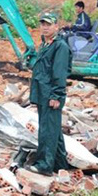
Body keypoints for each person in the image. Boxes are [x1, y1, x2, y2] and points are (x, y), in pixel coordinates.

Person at [28, 12, 71, 176]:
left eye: (48, 24)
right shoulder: (46, 45)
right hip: (42, 93)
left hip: (50, 95)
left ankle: (44, 165)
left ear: (56, 27)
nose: (45, 27)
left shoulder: (60, 47)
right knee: (54, 130)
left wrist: (56, 96)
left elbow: (59, 73)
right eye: (43, 24)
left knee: (47, 130)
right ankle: (60, 164)